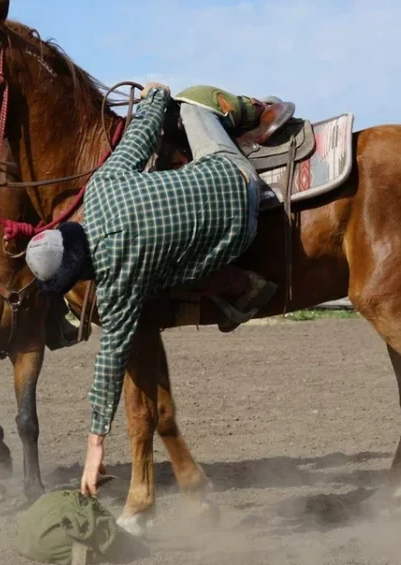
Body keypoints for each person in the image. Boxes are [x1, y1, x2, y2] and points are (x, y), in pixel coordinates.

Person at [24, 82, 287, 496]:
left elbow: (110, 362)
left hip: (238, 233)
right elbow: (140, 134)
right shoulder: (102, 185)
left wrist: (95, 443)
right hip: (233, 176)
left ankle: (233, 284)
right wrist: (156, 98)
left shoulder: (116, 281)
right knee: (194, 98)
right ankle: (253, 110)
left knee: (161, 281)